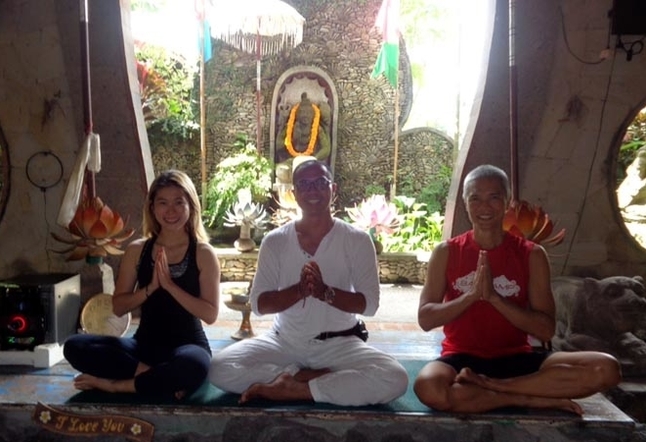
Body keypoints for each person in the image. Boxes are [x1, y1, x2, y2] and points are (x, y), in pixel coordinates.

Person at [413, 164, 621, 415]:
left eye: (494, 198)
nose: (484, 207)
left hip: (519, 358)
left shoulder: (531, 254)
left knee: (606, 368)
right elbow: (425, 319)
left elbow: (545, 329)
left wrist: (496, 299)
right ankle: (527, 398)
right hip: (460, 358)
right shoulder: (446, 252)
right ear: (465, 203)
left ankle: (495, 388)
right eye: (475, 198)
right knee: (428, 388)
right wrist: (471, 297)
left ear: (508, 201)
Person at [209, 159, 408, 406]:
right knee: (220, 367)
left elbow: (368, 305)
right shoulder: (276, 241)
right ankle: (311, 378)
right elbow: (259, 305)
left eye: (320, 183)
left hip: (340, 344)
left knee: (395, 378)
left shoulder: (356, 240)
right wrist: (300, 291)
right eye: (304, 184)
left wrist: (325, 293)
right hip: (285, 341)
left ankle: (294, 389)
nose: (312, 190)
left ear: (333, 190)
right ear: (294, 194)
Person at [63, 170, 221, 400]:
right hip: (143, 347)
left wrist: (170, 286)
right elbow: (118, 307)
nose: (171, 211)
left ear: (191, 206)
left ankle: (117, 386)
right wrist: (150, 288)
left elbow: (210, 314)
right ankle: (155, 378)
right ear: (152, 208)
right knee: (75, 346)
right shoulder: (138, 250)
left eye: (179, 202)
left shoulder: (203, 253)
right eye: (163, 203)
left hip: (187, 345)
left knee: (194, 366)